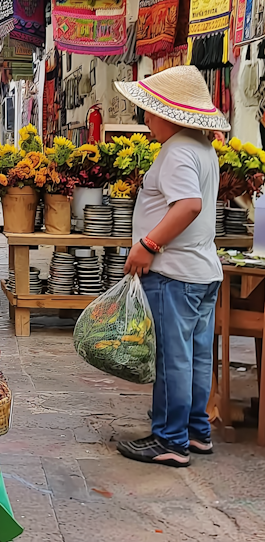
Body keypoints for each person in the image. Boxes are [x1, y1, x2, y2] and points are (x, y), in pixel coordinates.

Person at [113, 65, 231, 468]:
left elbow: (188, 205)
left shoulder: (178, 151)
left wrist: (148, 244)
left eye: (151, 111)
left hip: (174, 272)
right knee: (197, 355)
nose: (145, 119)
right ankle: (196, 432)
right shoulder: (201, 147)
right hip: (201, 270)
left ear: (172, 113)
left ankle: (169, 439)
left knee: (172, 358)